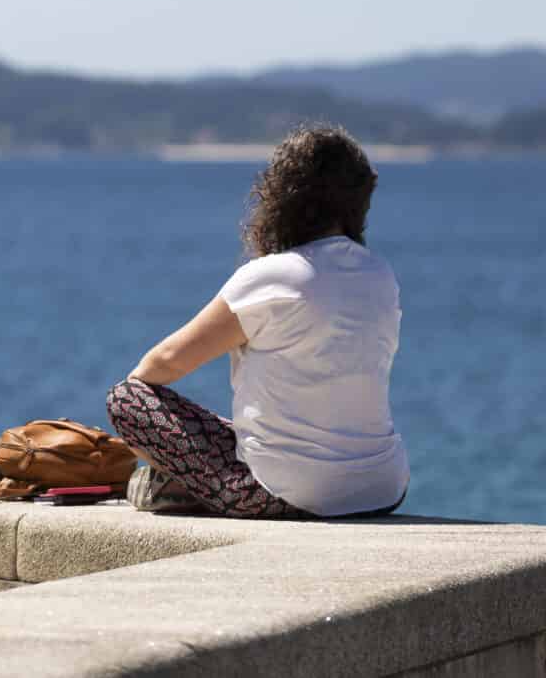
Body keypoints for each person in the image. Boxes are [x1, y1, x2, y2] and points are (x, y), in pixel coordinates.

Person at [105, 123, 408, 519]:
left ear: (283, 196)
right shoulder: (381, 276)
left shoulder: (274, 274)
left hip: (291, 495)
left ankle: (175, 485)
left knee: (126, 399)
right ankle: (185, 485)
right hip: (384, 486)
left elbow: (160, 367)